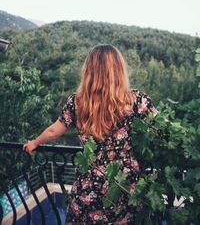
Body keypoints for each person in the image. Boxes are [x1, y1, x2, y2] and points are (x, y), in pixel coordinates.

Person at [23, 44, 157, 224]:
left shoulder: (78, 102)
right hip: (125, 186)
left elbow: (55, 130)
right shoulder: (137, 100)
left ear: (89, 70)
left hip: (89, 186)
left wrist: (34, 142)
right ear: (118, 69)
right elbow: (161, 131)